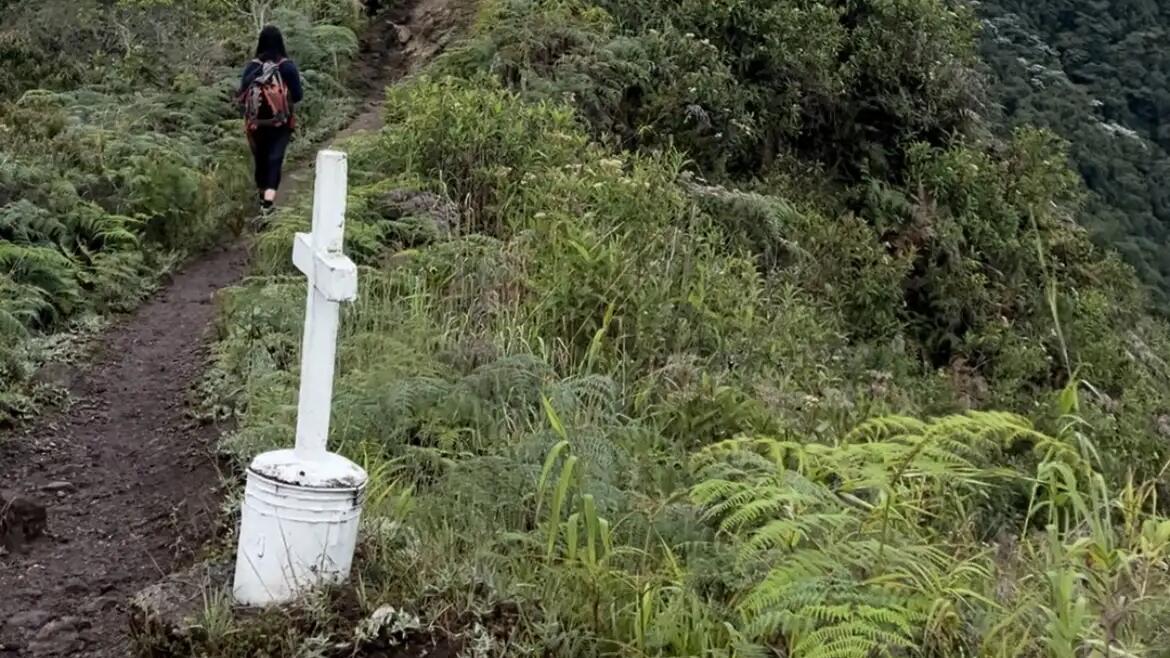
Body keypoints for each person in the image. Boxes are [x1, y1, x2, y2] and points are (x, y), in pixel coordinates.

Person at [238, 26, 304, 214]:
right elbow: (298, 96)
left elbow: (242, 95)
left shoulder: (253, 67)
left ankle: (261, 198)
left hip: (256, 125)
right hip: (281, 124)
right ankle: (267, 204)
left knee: (261, 161)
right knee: (275, 160)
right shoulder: (287, 66)